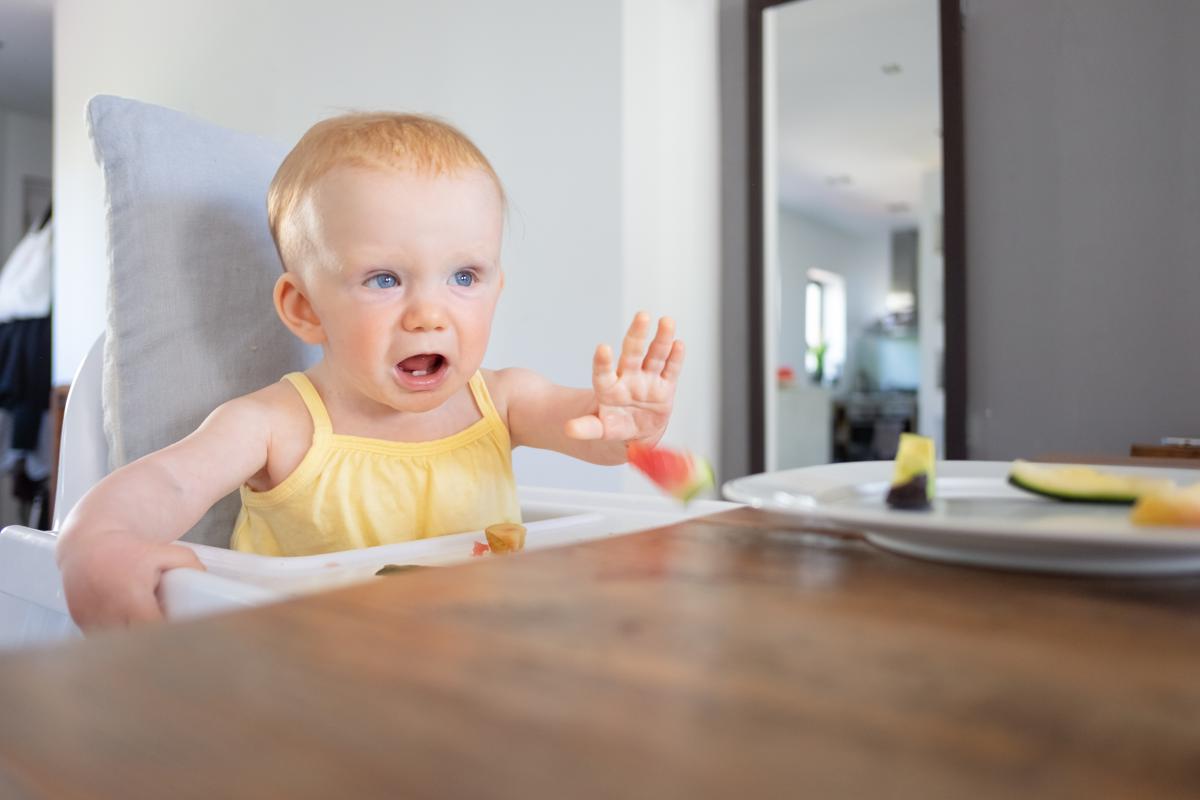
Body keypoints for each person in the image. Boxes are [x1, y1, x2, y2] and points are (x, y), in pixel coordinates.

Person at [56, 112, 685, 630]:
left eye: (464, 276)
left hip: (477, 667)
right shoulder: (280, 425)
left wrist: (625, 425)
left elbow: (598, 439)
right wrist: (103, 540)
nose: (429, 314)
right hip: (316, 686)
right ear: (304, 309)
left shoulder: (505, 399)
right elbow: (165, 485)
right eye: (384, 278)